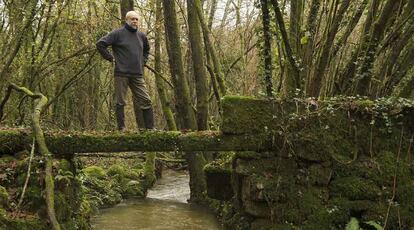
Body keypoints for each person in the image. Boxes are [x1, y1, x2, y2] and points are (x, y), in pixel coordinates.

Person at [96, 11, 154, 131]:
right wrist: (110, 58)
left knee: (146, 100)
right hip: (121, 73)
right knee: (120, 101)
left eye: (137, 19)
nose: (135, 21)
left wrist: (143, 61)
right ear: (126, 20)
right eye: (132, 19)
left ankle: (150, 129)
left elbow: (147, 50)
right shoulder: (117, 33)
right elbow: (100, 44)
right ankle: (122, 129)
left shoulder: (142, 36)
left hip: (137, 74)